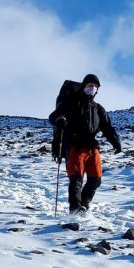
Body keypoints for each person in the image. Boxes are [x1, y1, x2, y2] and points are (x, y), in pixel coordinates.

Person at [48, 73, 122, 214]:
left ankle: (84, 204)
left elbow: (107, 128)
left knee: (95, 179)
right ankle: (75, 208)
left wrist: (116, 143)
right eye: (90, 85)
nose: (92, 88)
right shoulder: (72, 103)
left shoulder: (98, 109)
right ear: (83, 86)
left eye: (95, 86)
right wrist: (60, 120)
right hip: (74, 145)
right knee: (76, 178)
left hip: (92, 146)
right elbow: (53, 116)